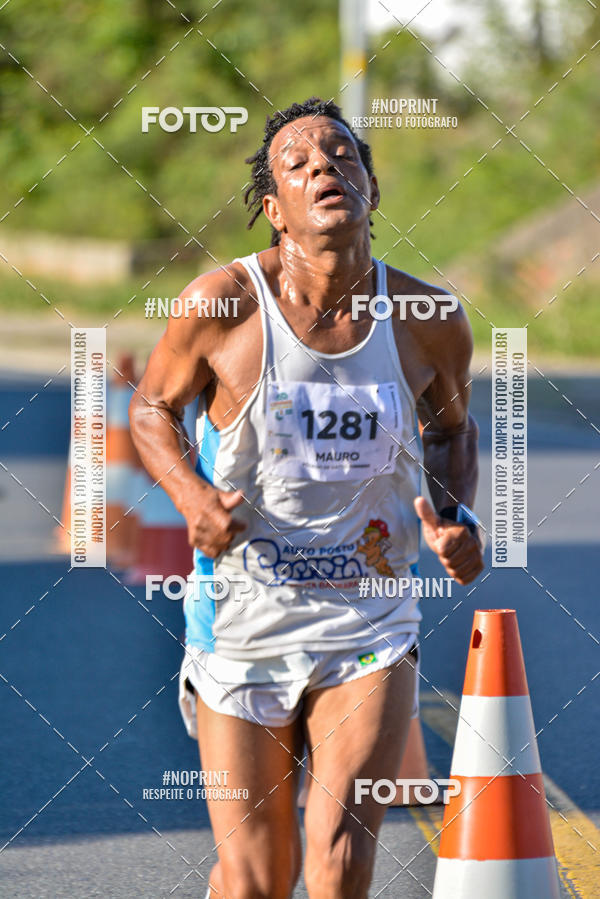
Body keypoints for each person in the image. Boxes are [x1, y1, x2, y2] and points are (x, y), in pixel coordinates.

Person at [129, 96, 484, 899]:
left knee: (339, 865)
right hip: (244, 621)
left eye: (342, 156)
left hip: (369, 616)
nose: (325, 167)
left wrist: (453, 516)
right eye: (299, 163)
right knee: (257, 880)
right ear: (274, 209)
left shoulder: (428, 320)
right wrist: (190, 496)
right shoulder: (226, 305)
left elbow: (452, 430)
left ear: (371, 189)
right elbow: (151, 407)